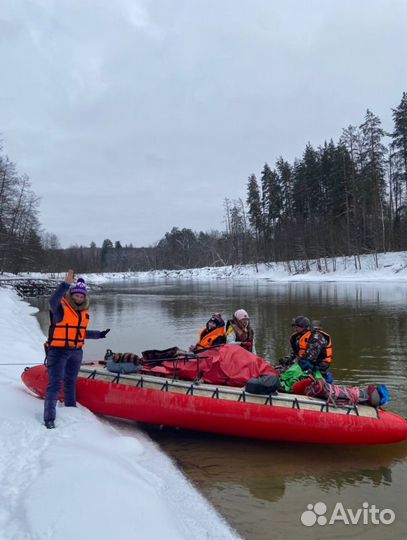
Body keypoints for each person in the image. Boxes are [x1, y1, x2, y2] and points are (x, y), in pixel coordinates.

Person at [43, 270, 111, 429]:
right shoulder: (60, 309)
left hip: (76, 352)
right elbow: (52, 301)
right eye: (76, 295)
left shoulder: (83, 314)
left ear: (84, 298)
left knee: (71, 381)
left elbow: (79, 333)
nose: (78, 298)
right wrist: (65, 284)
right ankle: (49, 418)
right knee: (55, 383)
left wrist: (99, 335)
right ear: (71, 295)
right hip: (58, 352)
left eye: (81, 296)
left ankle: (70, 409)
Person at [289, 316, 333, 382]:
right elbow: (298, 352)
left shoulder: (316, 337)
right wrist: (289, 359)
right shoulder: (298, 337)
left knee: (303, 363)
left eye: (297, 327)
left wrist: (296, 362)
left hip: (319, 363)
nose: (295, 329)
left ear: (304, 327)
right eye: (295, 327)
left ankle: (325, 380)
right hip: (306, 361)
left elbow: (311, 356)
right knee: (288, 363)